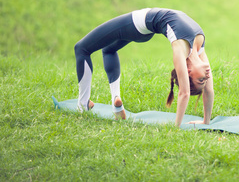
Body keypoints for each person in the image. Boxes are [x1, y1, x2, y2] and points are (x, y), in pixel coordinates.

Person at [74, 8, 214, 127]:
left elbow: (184, 93)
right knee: (108, 50)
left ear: (188, 72)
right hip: (145, 29)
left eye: (201, 80)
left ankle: (82, 106)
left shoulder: (180, 49)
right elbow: (209, 89)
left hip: (137, 24)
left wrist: (176, 127)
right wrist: (206, 122)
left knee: (81, 48)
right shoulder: (198, 46)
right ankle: (116, 103)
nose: (207, 76)